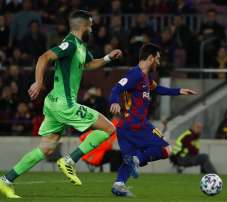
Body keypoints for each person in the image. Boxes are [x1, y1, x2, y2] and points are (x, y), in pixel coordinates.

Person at [0, 10, 123, 198]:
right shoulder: (70, 44)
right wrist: (39, 82)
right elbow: (44, 58)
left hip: (55, 104)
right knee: (108, 128)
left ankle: (6, 180)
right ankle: (69, 161)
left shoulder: (80, 46)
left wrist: (107, 58)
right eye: (90, 24)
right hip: (64, 104)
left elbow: (88, 65)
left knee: (46, 148)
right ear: (83, 26)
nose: (92, 27)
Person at [108, 43, 196, 197]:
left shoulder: (145, 77)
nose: (159, 62)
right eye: (158, 59)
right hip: (137, 125)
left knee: (129, 160)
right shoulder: (135, 74)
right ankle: (138, 159)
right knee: (166, 149)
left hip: (124, 128)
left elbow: (158, 89)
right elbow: (116, 88)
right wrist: (114, 101)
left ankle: (119, 184)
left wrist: (179, 91)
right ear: (150, 58)